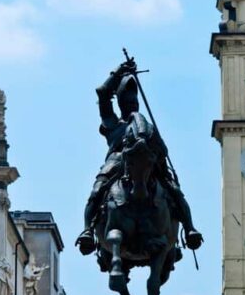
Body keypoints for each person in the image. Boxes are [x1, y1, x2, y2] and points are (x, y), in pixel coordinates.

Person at [76, 60, 203, 254]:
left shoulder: (146, 126)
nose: (133, 103)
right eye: (128, 100)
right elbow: (102, 92)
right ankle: (88, 230)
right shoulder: (113, 123)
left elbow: (163, 149)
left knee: (175, 191)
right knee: (96, 192)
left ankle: (189, 228)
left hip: (148, 160)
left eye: (135, 100)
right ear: (121, 103)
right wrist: (118, 72)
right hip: (117, 161)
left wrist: (157, 152)